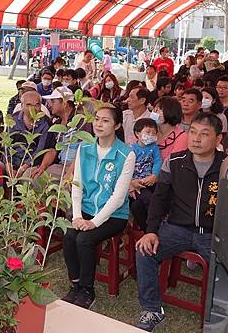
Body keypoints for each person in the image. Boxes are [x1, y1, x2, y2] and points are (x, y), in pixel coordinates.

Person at [134, 113, 224, 332]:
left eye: (204, 134)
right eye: (192, 132)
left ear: (218, 139)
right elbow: (159, 199)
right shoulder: (174, 161)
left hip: (213, 233)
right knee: (145, 250)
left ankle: (220, 314)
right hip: (177, 228)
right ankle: (152, 309)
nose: (196, 139)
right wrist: (151, 230)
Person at [62, 106, 135, 309]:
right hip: (85, 208)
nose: (99, 124)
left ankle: (87, 290)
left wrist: (93, 222)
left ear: (117, 125)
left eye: (105, 121)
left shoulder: (126, 154)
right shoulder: (84, 148)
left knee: (84, 239)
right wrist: (77, 217)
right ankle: (75, 284)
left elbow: (118, 197)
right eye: (96, 119)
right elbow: (77, 186)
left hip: (113, 214)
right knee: (69, 236)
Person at [7, 91, 57, 178]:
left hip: (33, 162)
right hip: (13, 158)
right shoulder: (13, 119)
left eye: (36, 105)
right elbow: (7, 144)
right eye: (28, 105)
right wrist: (8, 164)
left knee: (28, 176)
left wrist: (24, 166)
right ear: (22, 106)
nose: (32, 109)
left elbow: (40, 150)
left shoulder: (46, 123)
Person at [43, 87, 87, 180]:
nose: (50, 105)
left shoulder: (81, 121)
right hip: (60, 164)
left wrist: (70, 173)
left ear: (64, 103)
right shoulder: (57, 124)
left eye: (53, 101)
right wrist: (42, 167)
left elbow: (84, 150)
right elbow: (53, 148)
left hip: (78, 166)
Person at [128, 118, 162, 232]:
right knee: (148, 199)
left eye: (154, 133)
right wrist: (131, 181)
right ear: (137, 133)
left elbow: (158, 162)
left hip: (151, 181)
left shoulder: (154, 148)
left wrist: (154, 175)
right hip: (137, 184)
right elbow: (126, 168)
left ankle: (154, 225)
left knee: (160, 196)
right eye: (148, 132)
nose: (151, 135)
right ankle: (152, 226)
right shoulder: (131, 149)